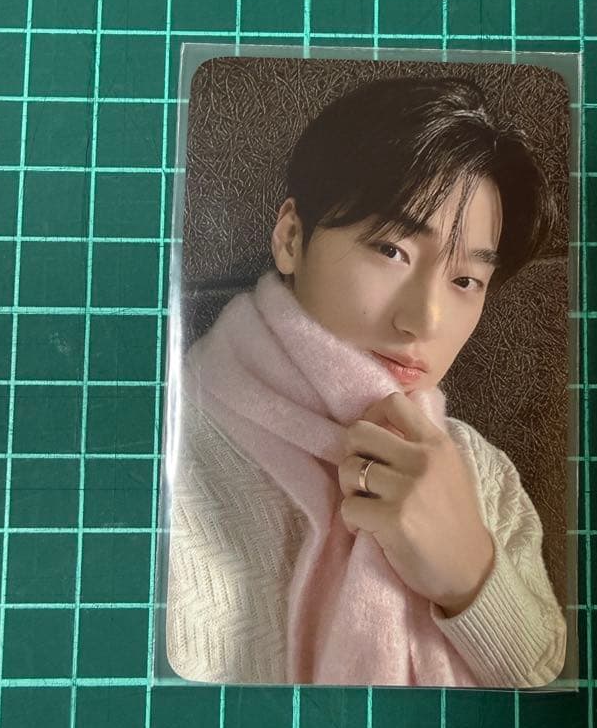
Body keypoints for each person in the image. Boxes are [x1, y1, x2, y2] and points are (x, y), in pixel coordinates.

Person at [165, 74, 567, 688]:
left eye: (465, 281)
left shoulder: (483, 472)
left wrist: (469, 576)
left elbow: (560, 701)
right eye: (391, 250)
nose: (423, 321)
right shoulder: (169, 448)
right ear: (291, 238)